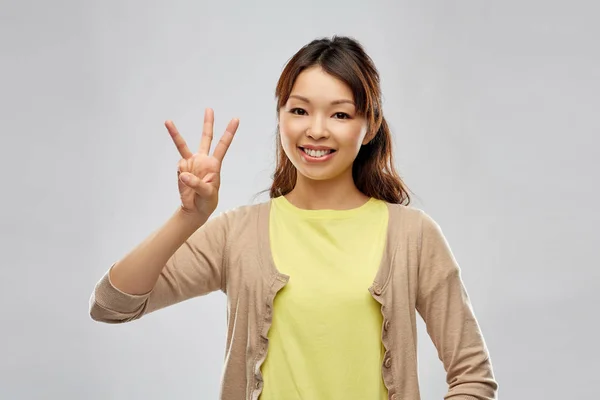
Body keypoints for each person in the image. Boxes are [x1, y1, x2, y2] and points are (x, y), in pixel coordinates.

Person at [89, 36, 498, 400]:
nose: (316, 130)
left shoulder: (413, 236)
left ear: (370, 126)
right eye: (299, 110)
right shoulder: (239, 233)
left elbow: (473, 378)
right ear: (281, 116)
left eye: (340, 115)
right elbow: (111, 305)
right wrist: (188, 217)